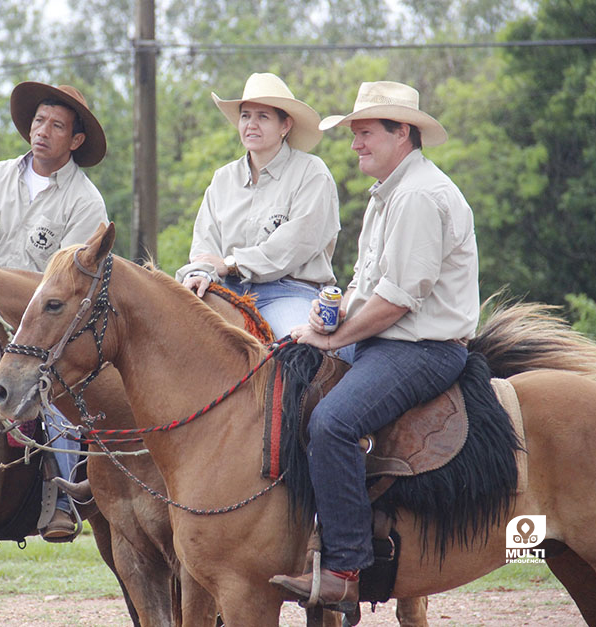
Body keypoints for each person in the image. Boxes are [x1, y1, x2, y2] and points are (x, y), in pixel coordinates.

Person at [269, 81, 480, 608]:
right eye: (356, 134)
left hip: (422, 351)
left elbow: (399, 300)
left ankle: (344, 568)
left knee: (333, 423)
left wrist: (332, 336)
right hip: (388, 343)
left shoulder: (414, 195)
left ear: (401, 132)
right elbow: (369, 288)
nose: (356, 144)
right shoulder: (390, 191)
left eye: (364, 133)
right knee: (286, 388)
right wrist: (328, 315)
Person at [0, 81, 108, 541]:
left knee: (56, 388)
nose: (42, 131)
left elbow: (67, 282)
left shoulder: (86, 201)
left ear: (75, 141)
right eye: (39, 121)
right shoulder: (0, 175)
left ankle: (61, 496)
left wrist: (9, 292)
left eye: (56, 125)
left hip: (45, 321)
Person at [174, 72, 340, 336]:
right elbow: (205, 244)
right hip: (226, 291)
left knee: (298, 350)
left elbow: (293, 246)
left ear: (285, 126)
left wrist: (229, 263)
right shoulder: (223, 178)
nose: (251, 124)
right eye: (245, 116)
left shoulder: (312, 173)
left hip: (288, 292)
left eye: (263, 117)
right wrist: (202, 272)